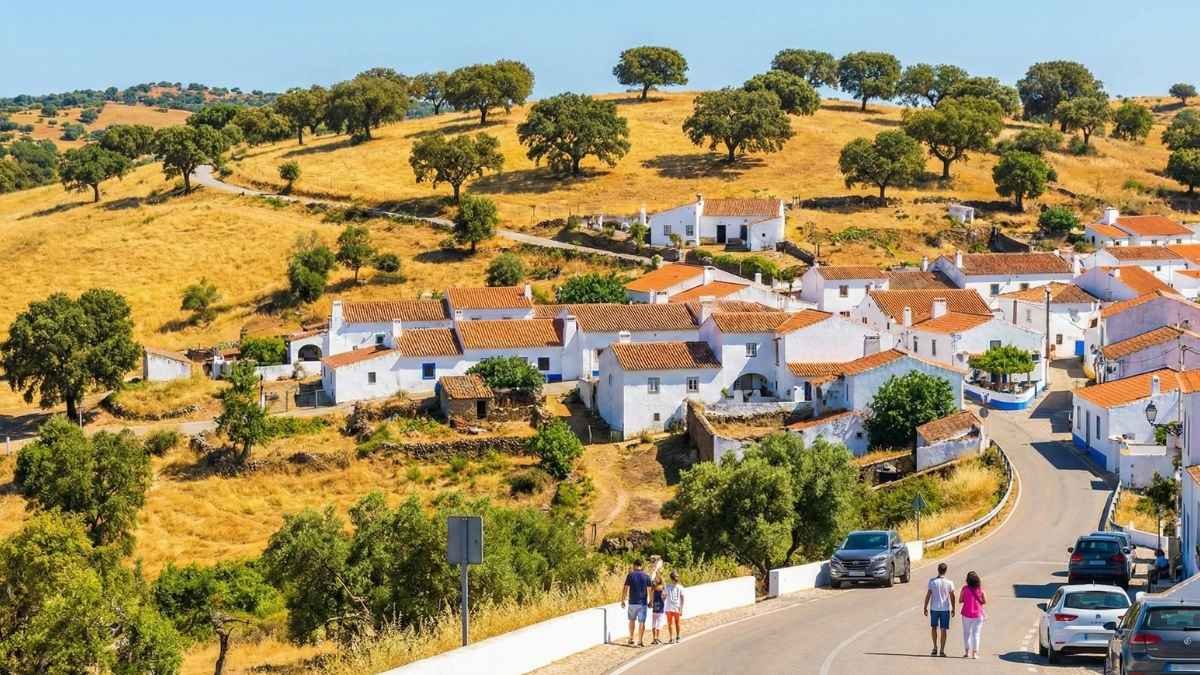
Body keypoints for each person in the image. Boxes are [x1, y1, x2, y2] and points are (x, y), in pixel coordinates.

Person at [923, 562, 956, 657]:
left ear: (938, 570)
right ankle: (942, 650)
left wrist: (925, 606)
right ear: (946, 571)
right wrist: (953, 608)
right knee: (943, 629)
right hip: (945, 609)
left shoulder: (932, 581)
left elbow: (928, 594)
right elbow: (952, 596)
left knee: (933, 627)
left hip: (934, 608)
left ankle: (934, 647)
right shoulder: (950, 583)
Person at [621, 559, 652, 647]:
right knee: (642, 622)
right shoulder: (646, 576)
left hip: (632, 602)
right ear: (641, 565)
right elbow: (650, 590)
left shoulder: (630, 575)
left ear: (634, 565)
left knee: (632, 620)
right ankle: (640, 641)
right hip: (642, 603)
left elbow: (625, 588)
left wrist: (623, 600)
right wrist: (651, 601)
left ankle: (631, 638)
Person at [959, 570, 986, 659]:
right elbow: (984, 601)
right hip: (978, 615)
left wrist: (967, 599)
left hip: (966, 613)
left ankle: (967, 652)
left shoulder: (964, 589)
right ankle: (975, 653)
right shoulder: (980, 589)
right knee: (976, 634)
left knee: (966, 633)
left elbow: (960, 600)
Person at [664, 570, 685, 644]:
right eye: (675, 577)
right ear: (672, 578)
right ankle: (671, 637)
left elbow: (682, 598)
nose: (676, 579)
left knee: (677, 622)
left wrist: (681, 609)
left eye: (676, 577)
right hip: (669, 607)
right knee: (670, 623)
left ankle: (678, 636)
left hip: (676, 607)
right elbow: (664, 596)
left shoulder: (680, 587)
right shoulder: (667, 586)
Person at [650, 575, 666, 644]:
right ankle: (657, 637)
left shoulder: (653, 589)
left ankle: (654, 638)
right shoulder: (662, 588)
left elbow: (651, 599)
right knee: (659, 624)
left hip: (654, 609)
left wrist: (651, 602)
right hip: (661, 608)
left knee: (653, 623)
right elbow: (664, 598)